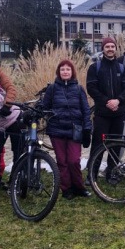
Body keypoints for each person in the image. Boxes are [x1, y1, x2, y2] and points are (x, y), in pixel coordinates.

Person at [42, 60, 93, 199]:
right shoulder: (52, 89)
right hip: (56, 130)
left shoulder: (79, 89)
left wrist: (87, 129)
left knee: (74, 160)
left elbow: (86, 111)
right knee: (62, 161)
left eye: (68, 69)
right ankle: (66, 188)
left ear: (72, 72)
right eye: (62, 69)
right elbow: (44, 107)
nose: (65, 72)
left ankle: (79, 187)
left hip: (74, 130)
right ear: (58, 72)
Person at [86, 37, 125, 181]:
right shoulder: (95, 67)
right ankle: (92, 174)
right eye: (107, 47)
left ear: (115, 48)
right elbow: (91, 87)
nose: (110, 49)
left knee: (116, 145)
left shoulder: (122, 68)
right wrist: (106, 101)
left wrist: (118, 100)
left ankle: (111, 173)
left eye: (112, 46)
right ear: (103, 49)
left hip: (118, 113)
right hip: (102, 113)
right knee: (97, 144)